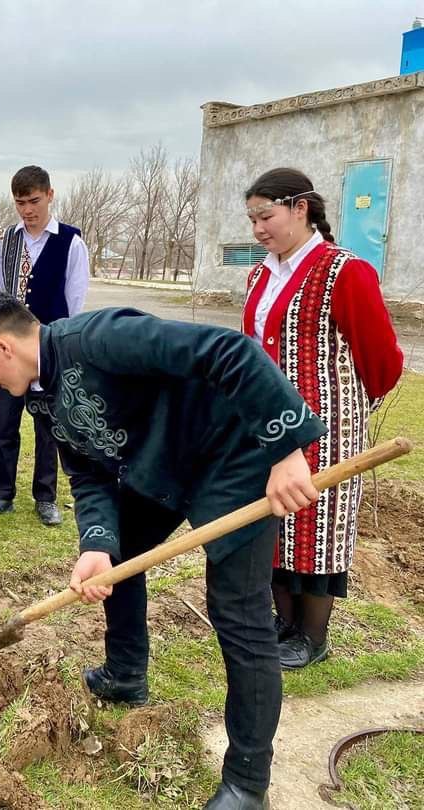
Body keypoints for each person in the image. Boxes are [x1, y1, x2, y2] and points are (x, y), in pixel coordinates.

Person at [0, 291, 328, 810]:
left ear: (2, 347)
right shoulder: (40, 394)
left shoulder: (100, 338)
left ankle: (247, 783)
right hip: (163, 469)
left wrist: (286, 452)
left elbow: (230, 351)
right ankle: (125, 674)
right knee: (122, 554)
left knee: (238, 613)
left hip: (232, 458)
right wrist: (96, 544)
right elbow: (86, 473)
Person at [242, 168, 403, 670]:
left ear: (300, 208)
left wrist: (344, 408)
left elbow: (382, 360)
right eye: (252, 219)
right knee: (274, 521)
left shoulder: (344, 271)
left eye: (265, 216)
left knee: (316, 527)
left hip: (326, 427)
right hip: (267, 425)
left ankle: (312, 636)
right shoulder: (260, 274)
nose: (258, 229)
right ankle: (283, 624)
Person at [0, 165, 90, 526]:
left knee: (48, 428)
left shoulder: (71, 243)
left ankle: (46, 497)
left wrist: (63, 349)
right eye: (20, 203)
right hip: (10, 352)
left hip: (49, 351)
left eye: (34, 201)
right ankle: (1, 493)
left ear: (50, 195)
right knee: (6, 426)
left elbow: (74, 303)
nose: (27, 210)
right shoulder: (4, 242)